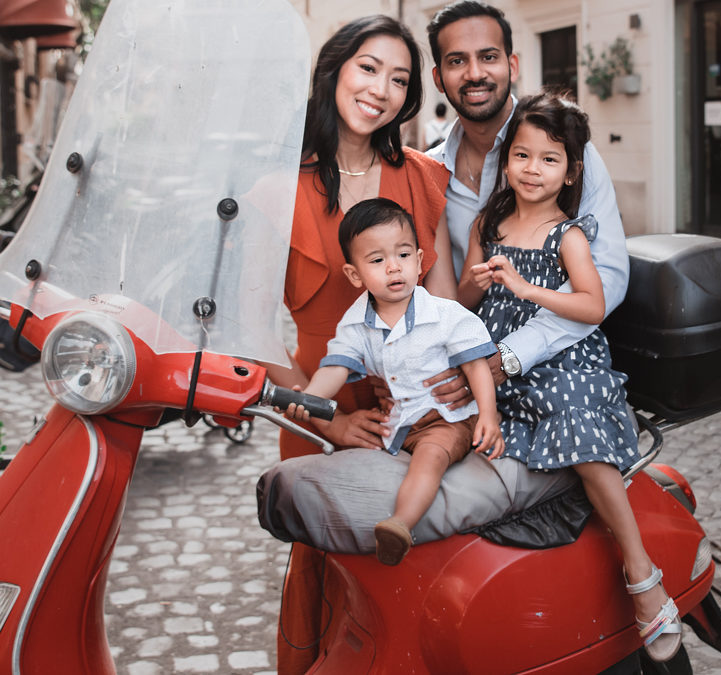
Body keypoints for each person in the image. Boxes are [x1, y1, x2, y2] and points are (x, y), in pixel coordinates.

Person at [458, 92, 682, 662]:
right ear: (506, 159)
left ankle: (641, 574)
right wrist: (480, 284)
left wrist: (529, 290)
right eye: (523, 156)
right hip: (500, 355)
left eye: (549, 159)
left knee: (578, 429)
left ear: (571, 170)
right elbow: (461, 294)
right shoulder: (488, 224)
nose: (533, 170)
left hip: (565, 357)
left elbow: (590, 304)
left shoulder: (570, 233)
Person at [266, 15, 457, 672]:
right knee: (326, 568)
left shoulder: (427, 178)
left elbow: (448, 305)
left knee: (410, 561)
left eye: (399, 79)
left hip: (409, 405)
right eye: (369, 68)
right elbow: (254, 328)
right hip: (314, 402)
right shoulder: (273, 187)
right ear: (335, 70)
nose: (381, 89)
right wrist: (331, 418)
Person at [425, 0, 629, 410]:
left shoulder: (570, 152)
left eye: (488, 57)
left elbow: (608, 273)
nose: (475, 73)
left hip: (558, 367)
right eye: (456, 61)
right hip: (466, 369)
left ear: (512, 65)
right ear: (438, 78)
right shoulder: (429, 172)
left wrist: (511, 354)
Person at [285, 198, 503, 566]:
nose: (393, 267)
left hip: (446, 417)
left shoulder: (445, 314)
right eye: (376, 260)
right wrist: (310, 398)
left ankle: (400, 525)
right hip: (398, 423)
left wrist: (488, 415)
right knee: (366, 468)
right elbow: (335, 367)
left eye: (403, 255)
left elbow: (477, 367)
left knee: (431, 456)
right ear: (355, 275)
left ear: (420, 260)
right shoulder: (355, 324)